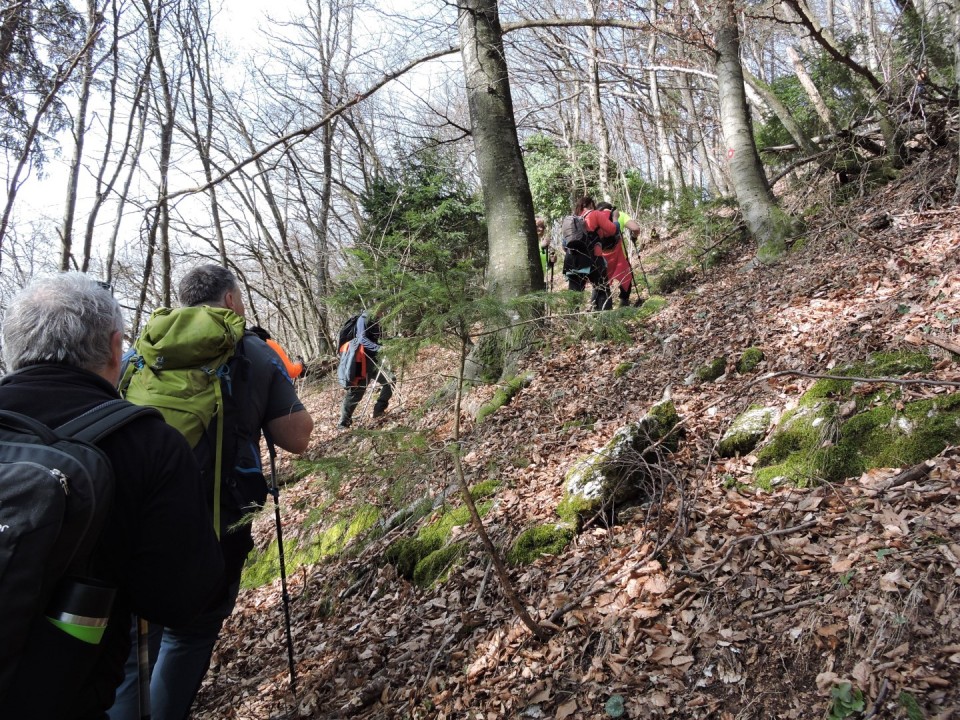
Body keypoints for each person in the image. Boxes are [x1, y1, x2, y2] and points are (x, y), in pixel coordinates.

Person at [0, 272, 223, 719]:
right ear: (116, 346)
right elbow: (179, 599)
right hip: (67, 694)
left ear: (12, 349)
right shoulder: (148, 442)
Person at [108, 265, 314, 720]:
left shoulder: (144, 351)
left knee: (135, 648)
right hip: (216, 526)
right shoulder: (254, 352)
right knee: (190, 635)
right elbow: (297, 438)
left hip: (133, 522)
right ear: (229, 298)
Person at [338, 310, 393, 428]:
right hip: (359, 361)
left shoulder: (377, 321)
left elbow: (377, 340)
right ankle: (343, 422)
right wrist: (380, 348)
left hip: (374, 361)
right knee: (356, 393)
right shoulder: (364, 318)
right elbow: (361, 339)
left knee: (390, 380)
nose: (383, 311)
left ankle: (378, 411)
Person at [564, 195, 618, 311]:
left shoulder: (572, 220)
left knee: (574, 295)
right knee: (602, 288)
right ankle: (605, 319)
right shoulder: (595, 214)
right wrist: (615, 219)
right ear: (591, 205)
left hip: (572, 260)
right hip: (593, 258)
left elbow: (565, 244)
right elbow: (612, 230)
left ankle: (572, 322)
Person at [596, 202, 643, 307]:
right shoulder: (619, 215)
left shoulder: (595, 217)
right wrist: (634, 237)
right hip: (619, 255)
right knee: (626, 276)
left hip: (601, 257)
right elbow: (636, 228)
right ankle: (624, 302)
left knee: (602, 282)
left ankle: (600, 307)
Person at [536, 216, 556, 289]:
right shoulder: (530, 241)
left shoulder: (542, 241)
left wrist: (551, 261)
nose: (541, 229)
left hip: (540, 276)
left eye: (543, 227)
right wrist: (541, 246)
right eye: (538, 226)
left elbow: (543, 262)